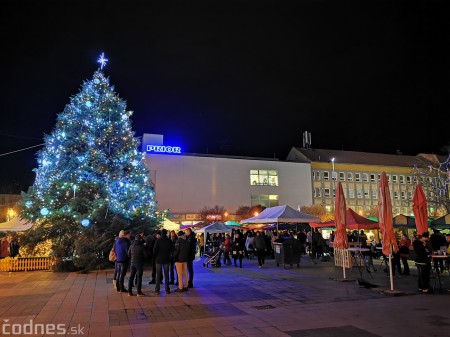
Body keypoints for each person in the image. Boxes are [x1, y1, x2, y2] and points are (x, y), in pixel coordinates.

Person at [153, 229, 172, 295]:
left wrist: (155, 257)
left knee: (158, 275)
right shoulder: (169, 241)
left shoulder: (158, 241)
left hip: (158, 259)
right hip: (166, 259)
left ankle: (157, 290)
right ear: (166, 233)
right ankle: (167, 289)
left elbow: (155, 250)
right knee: (166, 274)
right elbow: (171, 250)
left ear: (161, 233)